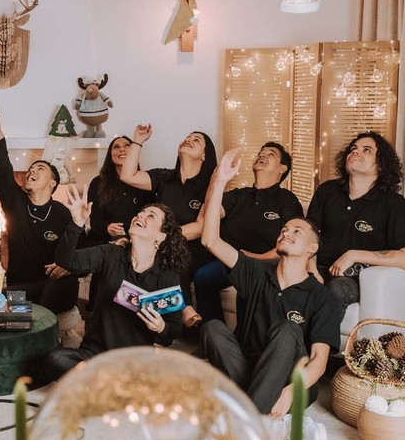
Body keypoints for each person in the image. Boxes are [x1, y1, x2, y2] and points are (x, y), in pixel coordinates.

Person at [200, 149, 341, 416]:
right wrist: (219, 181)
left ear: (312, 248)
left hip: (290, 383)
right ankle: (255, 412)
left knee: (288, 330)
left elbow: (319, 361)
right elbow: (210, 241)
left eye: (296, 231)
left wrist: (290, 392)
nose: (286, 233)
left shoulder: (323, 297)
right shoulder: (256, 272)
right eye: (284, 230)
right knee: (213, 328)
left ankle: (248, 417)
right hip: (249, 370)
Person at [42, 190, 200, 381]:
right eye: (140, 213)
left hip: (133, 360)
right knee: (55, 359)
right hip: (94, 354)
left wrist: (160, 327)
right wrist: (77, 222)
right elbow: (66, 261)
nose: (140, 216)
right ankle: (111, 382)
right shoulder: (111, 253)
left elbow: (173, 329)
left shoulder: (167, 276)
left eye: (151, 216)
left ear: (161, 236)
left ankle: (101, 382)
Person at [0, 84, 78, 315]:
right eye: (30, 169)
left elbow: (79, 249)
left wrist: (68, 267)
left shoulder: (62, 213)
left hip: (54, 285)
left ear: (52, 183)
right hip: (21, 287)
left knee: (60, 286)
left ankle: (42, 322)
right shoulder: (14, 201)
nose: (31, 172)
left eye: (39, 169)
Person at [192, 142, 304, 323]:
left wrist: (256, 257)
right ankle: (213, 332)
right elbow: (210, 210)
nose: (262, 155)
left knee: (247, 285)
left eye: (271, 154)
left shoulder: (287, 200)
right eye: (261, 152)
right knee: (203, 276)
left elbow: (291, 245)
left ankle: (241, 338)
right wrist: (218, 178)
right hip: (231, 261)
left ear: (282, 169)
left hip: (265, 265)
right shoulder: (239, 195)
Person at [306, 131, 405, 311]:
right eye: (353, 148)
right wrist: (311, 269)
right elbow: (308, 237)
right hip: (316, 268)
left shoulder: (393, 203)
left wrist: (353, 255)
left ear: (380, 164)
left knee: (337, 289)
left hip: (351, 278)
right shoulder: (327, 190)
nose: (355, 152)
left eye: (367, 150)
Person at [118, 125, 217, 271]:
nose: (188, 140)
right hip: (158, 247)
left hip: (190, 253)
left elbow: (200, 227)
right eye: (187, 138)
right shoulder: (164, 177)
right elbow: (127, 176)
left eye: (196, 140)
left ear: (204, 155)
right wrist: (138, 140)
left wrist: (160, 236)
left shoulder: (210, 186)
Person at [81, 135, 147, 249]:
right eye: (116, 147)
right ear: (110, 155)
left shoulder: (144, 181)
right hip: (104, 245)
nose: (122, 149)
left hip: (136, 245)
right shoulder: (98, 183)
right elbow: (95, 219)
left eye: (127, 146)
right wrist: (107, 228)